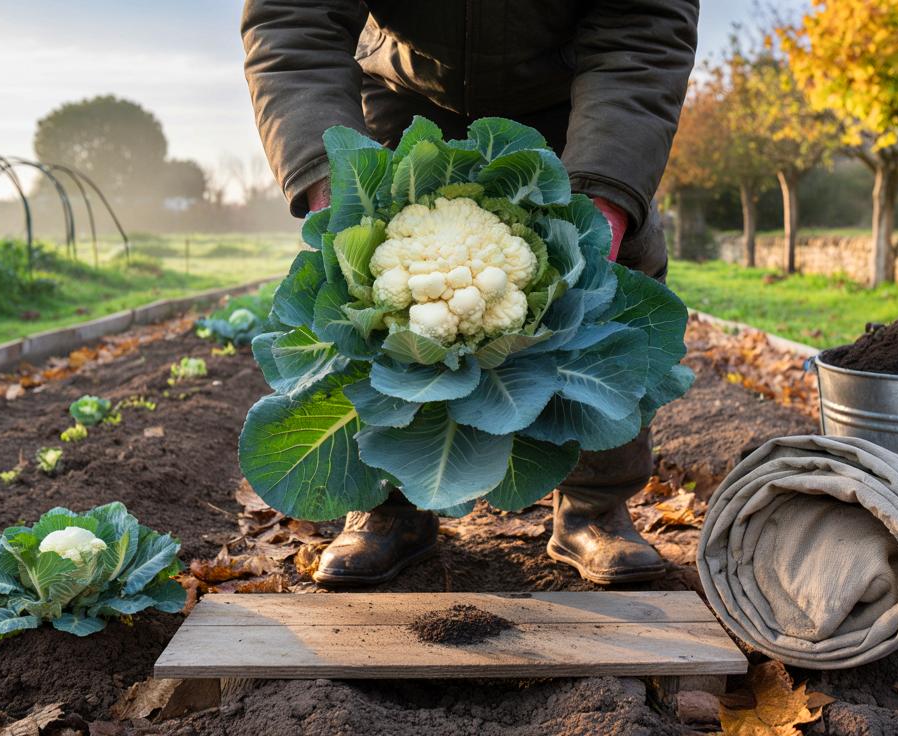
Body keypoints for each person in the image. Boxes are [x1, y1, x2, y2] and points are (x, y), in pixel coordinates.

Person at [241, 0, 700, 587]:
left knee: (615, 283)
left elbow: (646, 25)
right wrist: (326, 179)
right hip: (406, 94)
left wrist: (604, 198)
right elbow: (291, 20)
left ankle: (594, 505)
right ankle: (387, 504)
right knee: (354, 297)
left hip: (574, 98)